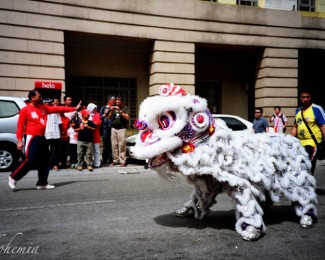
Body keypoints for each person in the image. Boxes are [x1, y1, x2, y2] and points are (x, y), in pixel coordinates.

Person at [8, 90, 81, 190]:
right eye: (39, 96)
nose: (41, 98)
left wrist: (73, 108)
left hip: (43, 137)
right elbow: (20, 127)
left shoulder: (43, 108)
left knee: (45, 161)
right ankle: (13, 177)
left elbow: (58, 109)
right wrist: (19, 140)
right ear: (32, 98)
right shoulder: (25, 110)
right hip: (32, 137)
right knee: (30, 160)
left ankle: (42, 183)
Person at [291, 90, 325, 174]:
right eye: (303, 97)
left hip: (313, 142)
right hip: (300, 143)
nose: (305, 99)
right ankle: (304, 184)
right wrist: (290, 140)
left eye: (307, 97)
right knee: (301, 166)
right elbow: (295, 127)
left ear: (311, 98)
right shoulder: (298, 110)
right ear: (300, 99)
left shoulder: (317, 109)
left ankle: (308, 184)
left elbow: (323, 126)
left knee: (307, 165)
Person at [110, 97, 130, 167]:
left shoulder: (125, 108)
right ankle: (115, 160)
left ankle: (122, 161)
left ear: (121, 102)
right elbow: (109, 117)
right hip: (114, 128)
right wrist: (111, 110)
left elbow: (127, 117)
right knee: (114, 145)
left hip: (122, 129)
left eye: (118, 102)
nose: (117, 104)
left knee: (122, 145)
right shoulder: (114, 109)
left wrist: (120, 111)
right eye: (116, 102)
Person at [45, 98, 62, 171]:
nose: (47, 104)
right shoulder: (42, 111)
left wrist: (61, 132)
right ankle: (47, 165)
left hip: (55, 133)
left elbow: (59, 122)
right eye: (46, 103)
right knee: (45, 150)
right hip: (45, 133)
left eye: (49, 103)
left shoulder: (56, 112)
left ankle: (55, 164)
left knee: (54, 149)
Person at [100, 95, 115, 164]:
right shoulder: (103, 108)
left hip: (112, 128)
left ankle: (111, 158)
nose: (114, 101)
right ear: (109, 101)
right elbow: (100, 117)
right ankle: (105, 159)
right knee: (105, 144)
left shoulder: (115, 108)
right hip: (105, 127)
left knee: (112, 144)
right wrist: (105, 113)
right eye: (113, 100)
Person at [87, 103, 102, 168]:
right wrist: (93, 123)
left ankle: (97, 163)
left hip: (96, 134)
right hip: (88, 135)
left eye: (95, 108)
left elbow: (97, 123)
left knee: (96, 150)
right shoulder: (87, 115)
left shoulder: (97, 115)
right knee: (89, 150)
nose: (95, 110)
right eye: (94, 108)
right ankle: (89, 163)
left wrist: (89, 123)